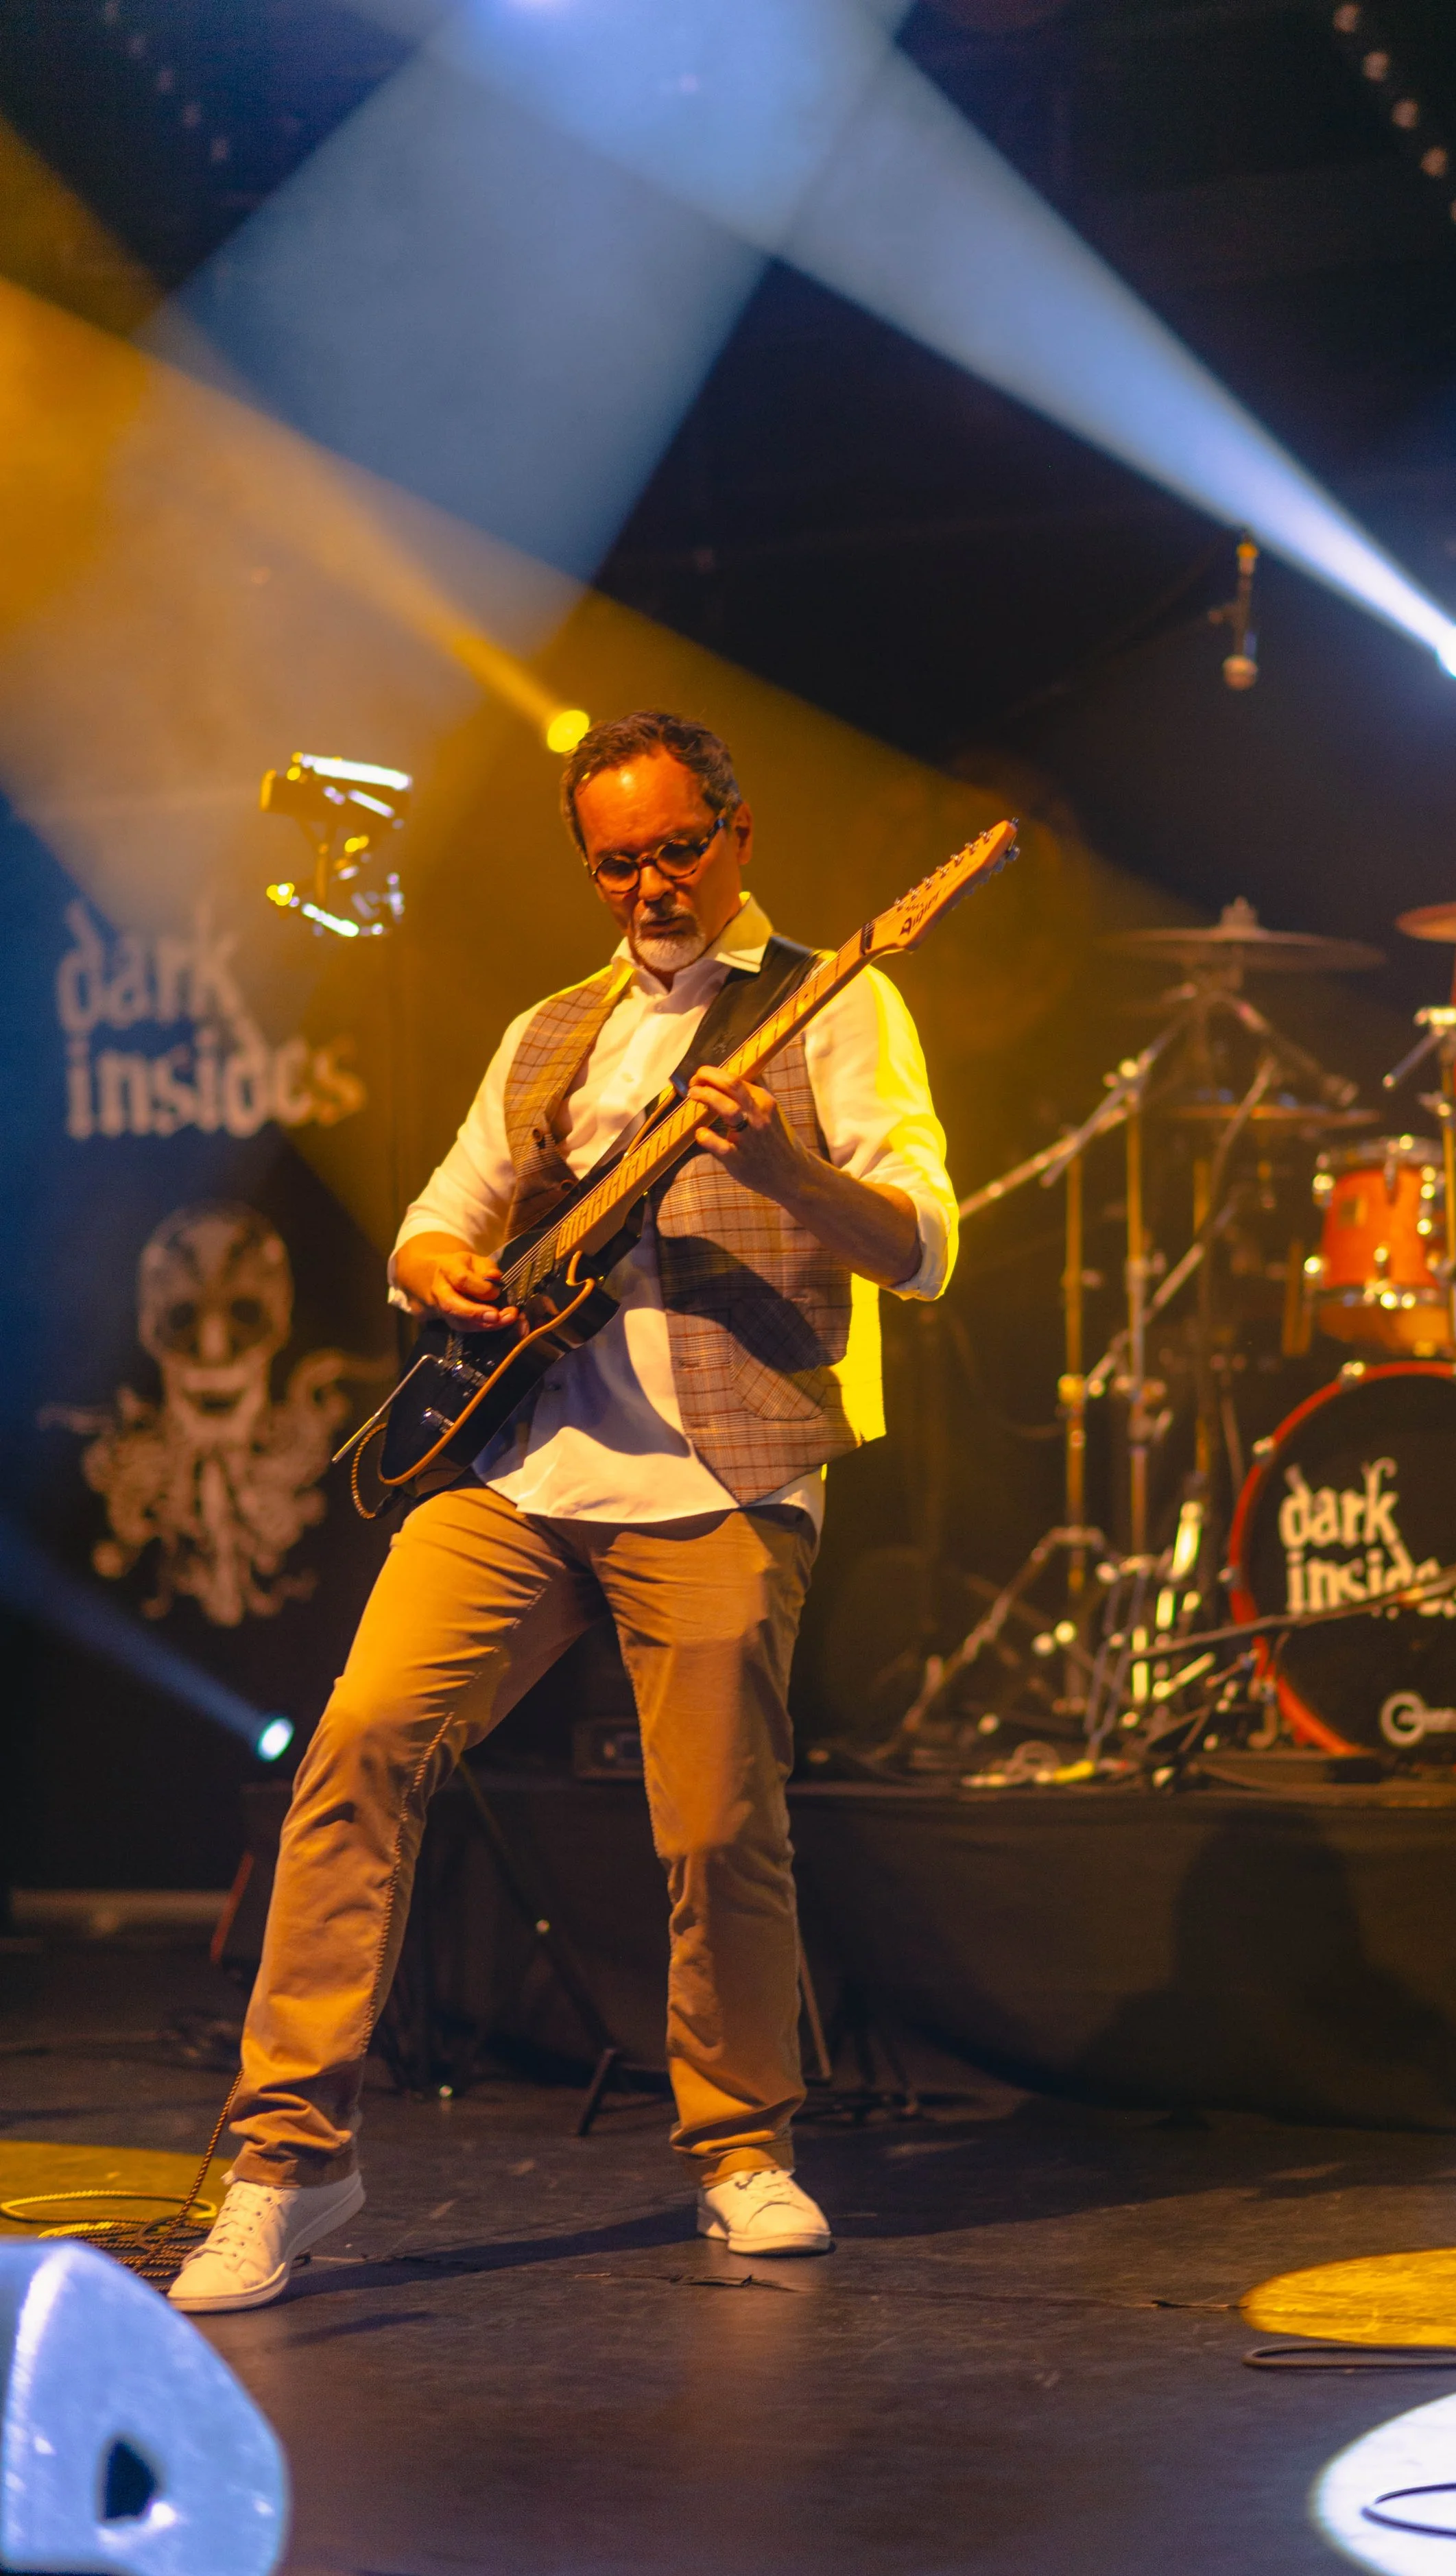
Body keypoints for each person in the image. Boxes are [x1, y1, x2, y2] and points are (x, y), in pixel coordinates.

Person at [171, 709, 959, 2312]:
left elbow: (926, 1241)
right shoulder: (549, 1029)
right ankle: (288, 2165)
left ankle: (740, 2147)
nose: (651, 884)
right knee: (359, 1742)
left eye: (677, 847)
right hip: (525, 1469)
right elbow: (434, 1216)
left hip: (726, 1473)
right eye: (618, 862)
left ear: (738, 832)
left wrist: (792, 1171)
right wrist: (435, 1269)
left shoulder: (835, 1000)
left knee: (718, 1820)